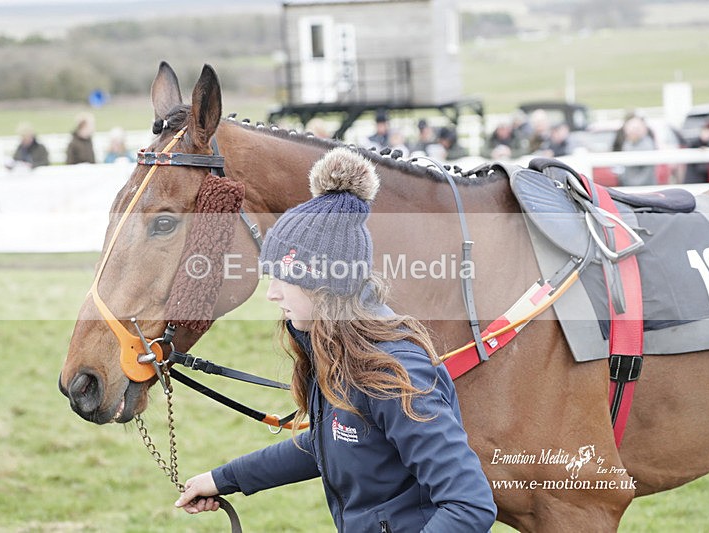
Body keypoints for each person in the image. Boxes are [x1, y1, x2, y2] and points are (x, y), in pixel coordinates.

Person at [174, 147, 497, 531]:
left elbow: (468, 504)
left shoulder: (393, 373)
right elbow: (330, 445)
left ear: (322, 285)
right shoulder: (335, 350)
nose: (272, 294)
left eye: (283, 278)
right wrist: (223, 478)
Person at [617, 116, 656, 186]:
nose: (630, 133)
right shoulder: (627, 143)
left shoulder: (647, 144)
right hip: (628, 184)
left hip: (645, 185)